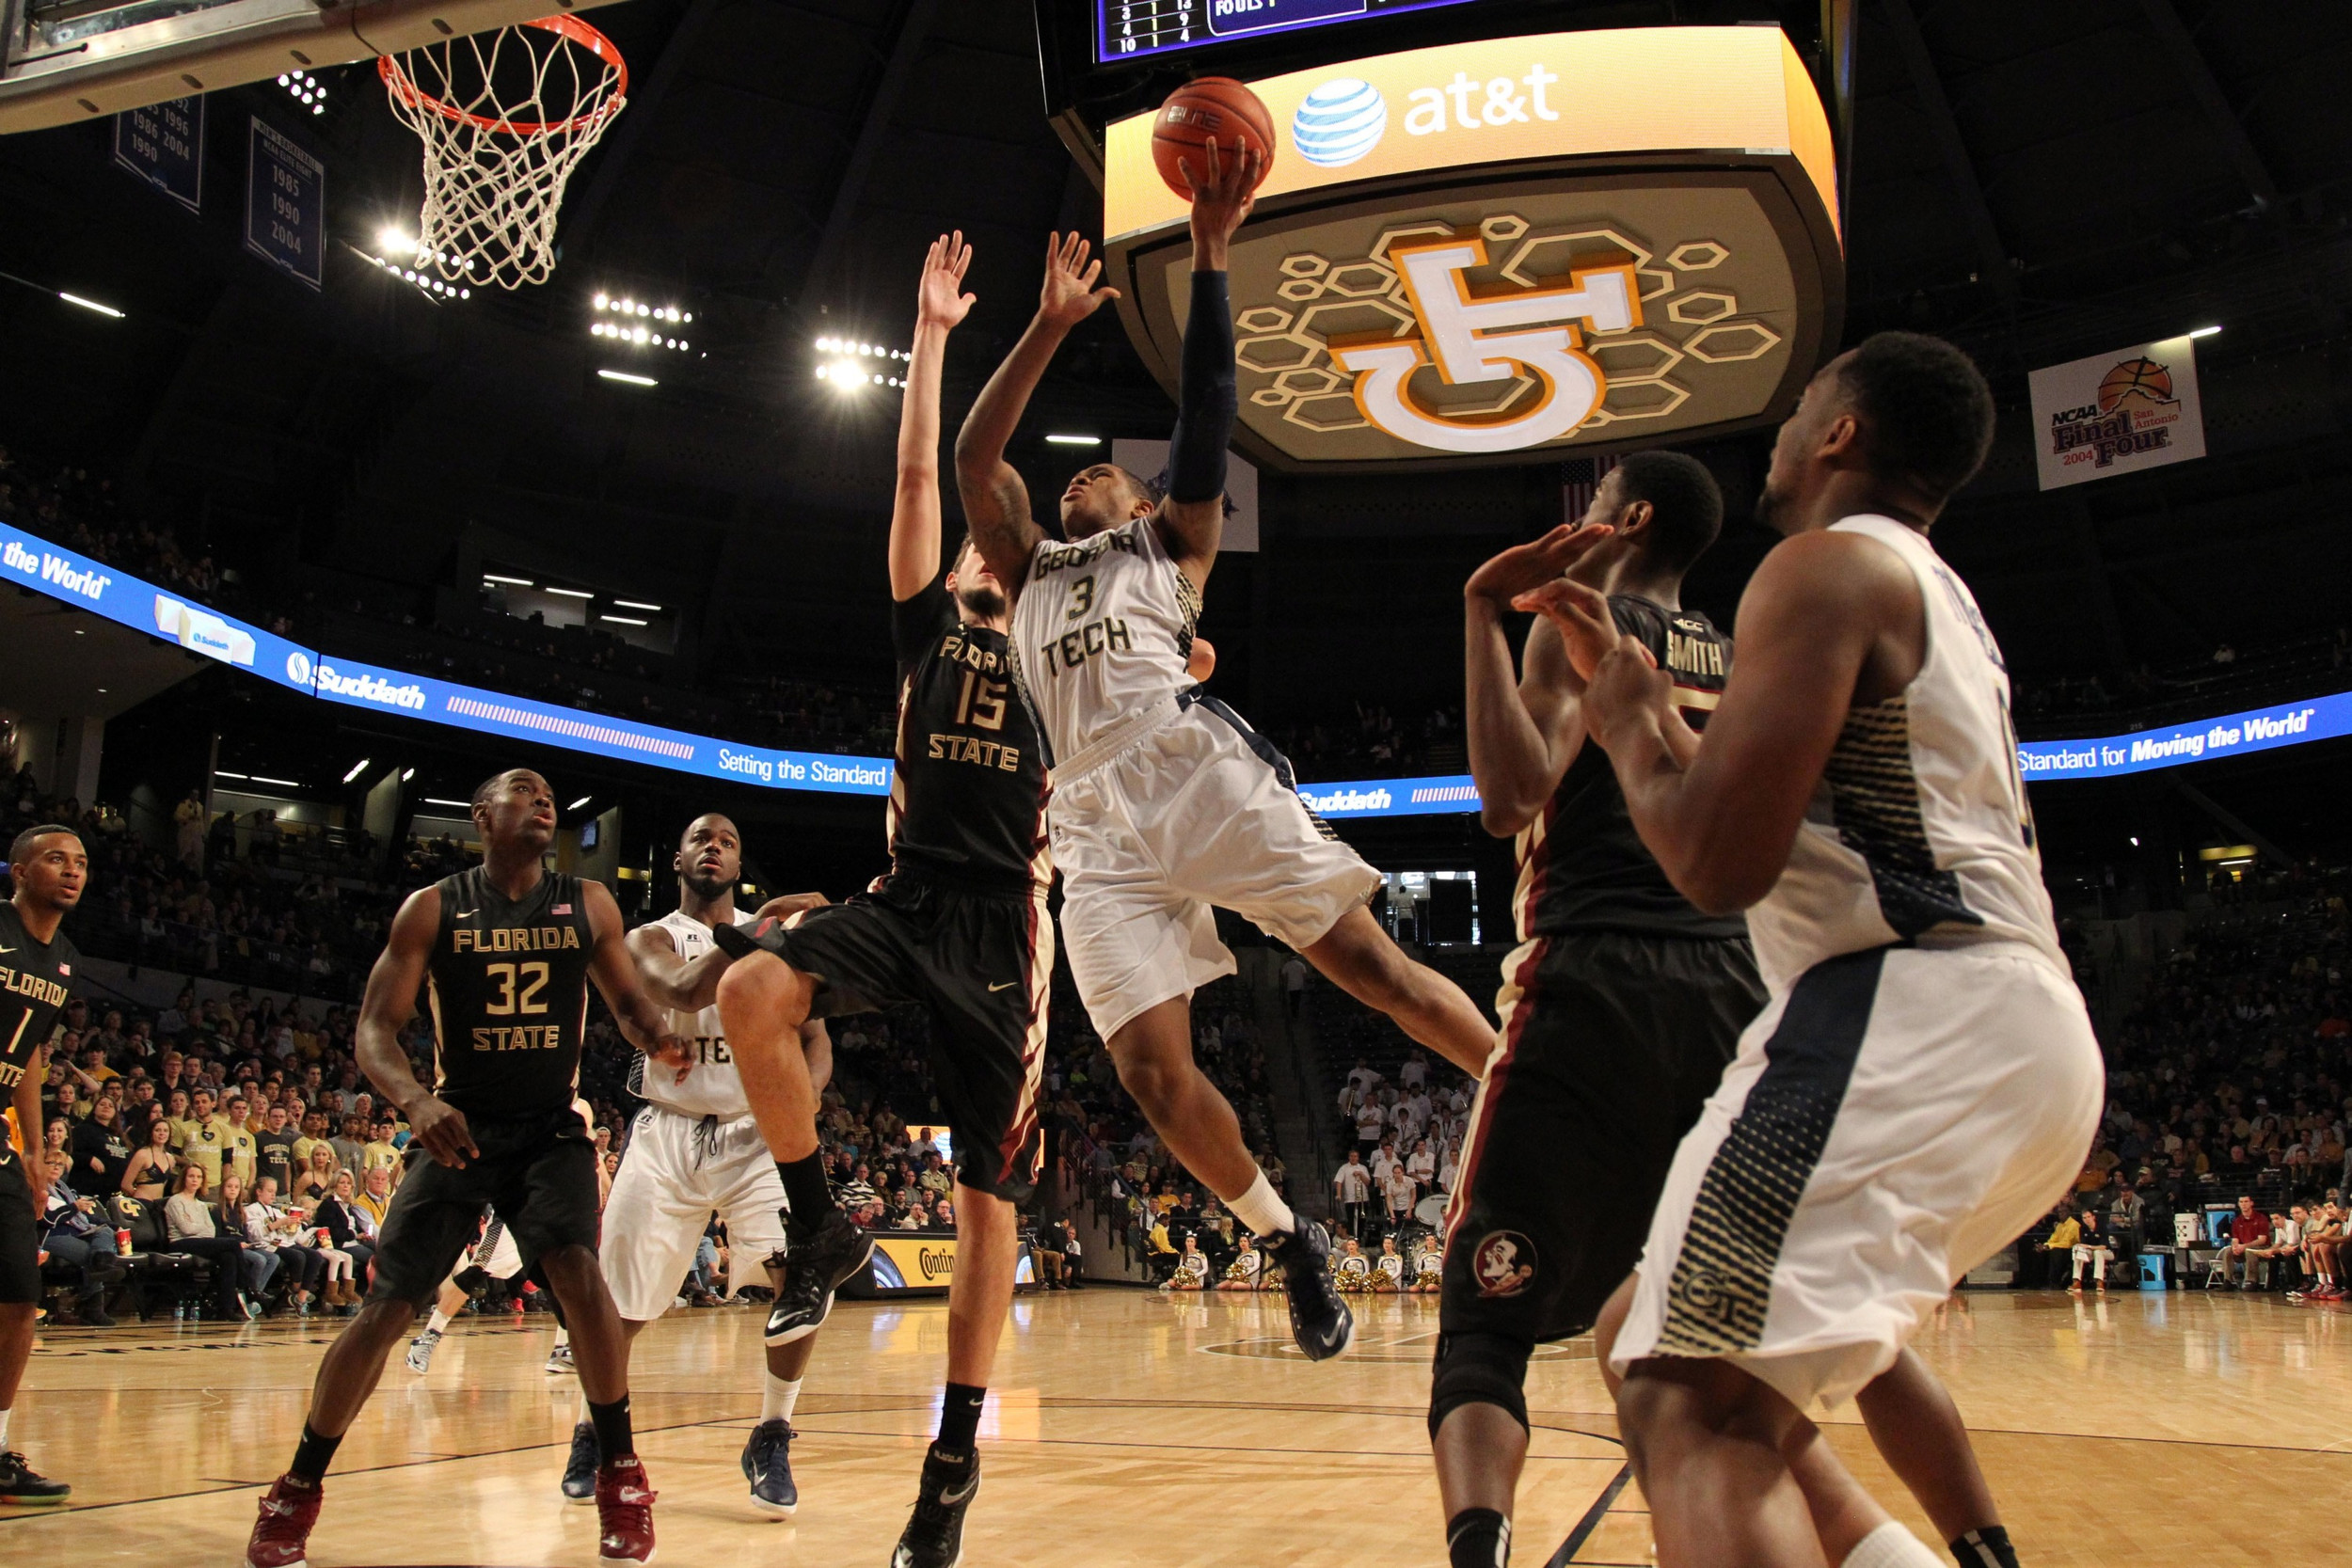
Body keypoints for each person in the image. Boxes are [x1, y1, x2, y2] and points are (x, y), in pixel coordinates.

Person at [1532, 332, 2103, 1568]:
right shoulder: (1929, 588)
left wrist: (1625, 722)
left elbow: (1716, 862)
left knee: (1693, 1399)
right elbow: (1771, 817)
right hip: (2016, 1036)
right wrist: (1650, 705)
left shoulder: (1818, 569)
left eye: (1800, 409)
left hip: (1906, 1010)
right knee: (1660, 1322)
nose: (1781, 433)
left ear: (1841, 434)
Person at [953, 144, 1497, 1373]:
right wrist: (1043, 327)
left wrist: (1207, 253)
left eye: (1109, 470)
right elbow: (975, 458)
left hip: (1192, 771)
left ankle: (1531, 1089)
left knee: (1377, 973)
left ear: (1145, 503)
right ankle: (1286, 1234)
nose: (1084, 469)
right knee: (1150, 1071)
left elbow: (1207, 411)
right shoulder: (1027, 563)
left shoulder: (1170, 547)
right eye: (1074, 469)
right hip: (1088, 821)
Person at [1458, 452, 2026, 1568]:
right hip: (1751, 987)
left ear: (1626, 518)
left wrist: (1483, 610)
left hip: (1597, 975)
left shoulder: (1582, 621)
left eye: (1597, 492)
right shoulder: (1738, 642)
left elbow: (1509, 794)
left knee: (1578, 1349)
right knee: (1806, 1333)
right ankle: (1978, 1547)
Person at [711, 234, 1054, 1568]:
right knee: (753, 982)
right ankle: (819, 1219)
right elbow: (919, 466)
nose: (981, 543)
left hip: (1009, 927)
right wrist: (930, 333)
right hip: (908, 897)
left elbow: (1180, 643)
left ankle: (952, 1462)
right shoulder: (927, 620)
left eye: (1000, 535)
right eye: (980, 532)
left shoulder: (1064, 652)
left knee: (987, 1208)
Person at [245, 769, 687, 1568]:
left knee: (580, 1273)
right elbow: (376, 1031)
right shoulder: (434, 907)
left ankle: (621, 1470)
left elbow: (627, 1005)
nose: (543, 800)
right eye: (523, 790)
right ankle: (297, 1486)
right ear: (482, 815)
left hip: (551, 1125)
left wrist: (660, 1037)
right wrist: (414, 1102)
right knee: (385, 1308)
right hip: (459, 1125)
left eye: (549, 794)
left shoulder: (589, 903)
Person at [564, 813, 834, 1515]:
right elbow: (683, 988)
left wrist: (798, 1102)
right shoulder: (648, 937)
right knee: (620, 1303)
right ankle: (594, 1427)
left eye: (728, 841)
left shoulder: (770, 938)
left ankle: (772, 1430)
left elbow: (816, 1041)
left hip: (753, 1133)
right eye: (700, 839)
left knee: (803, 1280)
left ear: (739, 864)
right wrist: (760, 934)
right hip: (667, 1134)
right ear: (678, 857)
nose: (713, 847)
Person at [0, 825, 85, 1501]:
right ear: (20, 869)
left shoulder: (63, 959)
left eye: (81, 862)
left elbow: (30, 1052)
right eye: (56, 857)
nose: (72, 869)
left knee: (18, 1297)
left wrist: (33, 1151)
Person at [2217, 1195, 2273, 1288]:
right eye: (2241, 1202)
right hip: (2243, 1248)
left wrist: (2244, 1246)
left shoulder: (2261, 1218)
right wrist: (2235, 1247)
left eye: (2246, 1201)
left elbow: (2262, 1240)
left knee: (2249, 1251)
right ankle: (2228, 1281)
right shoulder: (2237, 1221)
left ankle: (2251, 1281)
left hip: (2261, 1248)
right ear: (2238, 1204)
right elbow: (2235, 1239)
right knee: (2228, 1251)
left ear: (2251, 1203)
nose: (2244, 1204)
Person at [2068, 1209, 2113, 1294]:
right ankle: (2076, 1281)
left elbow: (2103, 1247)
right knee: (2079, 1252)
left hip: (2107, 1252)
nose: (2087, 1219)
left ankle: (2099, 1282)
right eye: (2084, 1218)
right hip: (2091, 1252)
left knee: (2098, 1252)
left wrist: (2089, 1246)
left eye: (2088, 1217)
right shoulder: (2082, 1228)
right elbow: (2083, 1245)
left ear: (2093, 1217)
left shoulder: (2102, 1227)